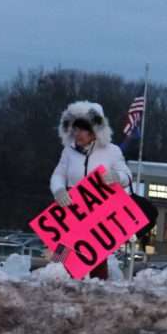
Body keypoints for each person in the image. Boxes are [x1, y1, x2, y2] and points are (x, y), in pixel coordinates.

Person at [50, 101, 132, 280]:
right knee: (63, 255)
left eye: (82, 129)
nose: (77, 134)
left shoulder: (112, 151)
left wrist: (116, 177)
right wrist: (59, 191)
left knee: (96, 257)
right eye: (75, 129)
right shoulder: (68, 152)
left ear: (95, 130)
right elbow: (58, 175)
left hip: (98, 212)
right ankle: (59, 285)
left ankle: (98, 293)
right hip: (71, 209)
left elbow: (127, 175)